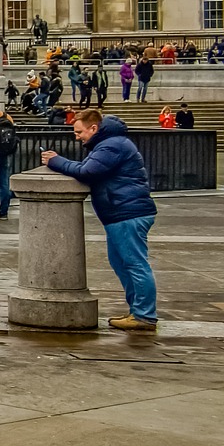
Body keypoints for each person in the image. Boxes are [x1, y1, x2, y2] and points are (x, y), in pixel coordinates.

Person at [43, 109, 159, 332]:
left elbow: (88, 170)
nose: (77, 136)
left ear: (93, 128)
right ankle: (138, 312)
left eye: (79, 132)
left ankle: (144, 315)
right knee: (122, 263)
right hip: (121, 213)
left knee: (134, 264)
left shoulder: (111, 145)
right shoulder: (111, 143)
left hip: (127, 213)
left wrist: (56, 161)